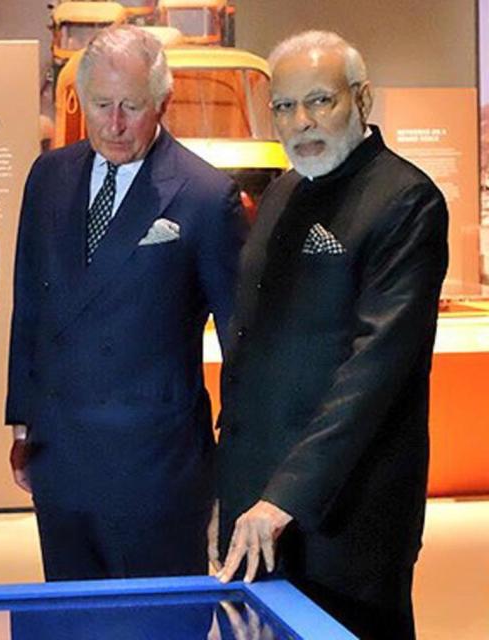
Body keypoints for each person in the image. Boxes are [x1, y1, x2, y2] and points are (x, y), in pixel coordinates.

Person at [213, 31, 448, 639]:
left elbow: (374, 371)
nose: (302, 122)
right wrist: (234, 487)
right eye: (285, 106)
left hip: (348, 513)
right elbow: (252, 349)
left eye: (320, 100)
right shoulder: (285, 192)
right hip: (260, 506)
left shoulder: (406, 200)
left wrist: (284, 497)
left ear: (361, 99)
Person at [6, 24, 244, 581]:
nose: (114, 124)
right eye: (102, 105)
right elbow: (30, 307)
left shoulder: (207, 195)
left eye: (132, 107)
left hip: (157, 468)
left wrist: (235, 466)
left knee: (155, 622)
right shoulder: (49, 176)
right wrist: (22, 423)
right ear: (80, 101)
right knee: (69, 617)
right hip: (60, 453)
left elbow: (243, 342)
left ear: (162, 103)